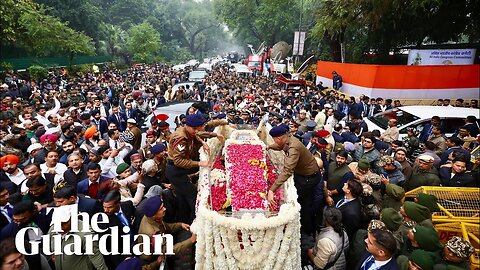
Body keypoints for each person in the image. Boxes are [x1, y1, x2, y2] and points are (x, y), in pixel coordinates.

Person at [165, 114, 222, 224]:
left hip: (178, 169)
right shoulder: (180, 138)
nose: (196, 131)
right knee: (192, 196)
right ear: (187, 125)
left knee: (182, 197)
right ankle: (194, 221)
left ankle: (183, 220)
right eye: (194, 128)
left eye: (198, 128)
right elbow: (179, 161)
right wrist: (200, 163)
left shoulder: (188, 131)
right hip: (175, 170)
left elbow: (196, 135)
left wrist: (202, 142)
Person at [267, 124, 322, 235]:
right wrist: (268, 147)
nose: (275, 142)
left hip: (308, 178)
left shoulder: (294, 147)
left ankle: (306, 230)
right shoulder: (289, 140)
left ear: (278, 138)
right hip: (302, 174)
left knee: (302, 203)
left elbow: (288, 170)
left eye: (275, 140)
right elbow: (280, 146)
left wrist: (272, 190)